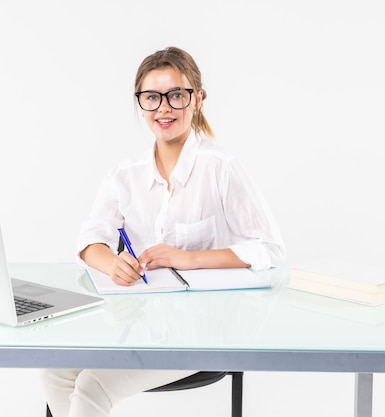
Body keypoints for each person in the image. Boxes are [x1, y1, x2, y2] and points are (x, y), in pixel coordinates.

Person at [40, 46, 286, 417]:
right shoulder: (124, 175)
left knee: (92, 384)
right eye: (151, 97)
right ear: (140, 103)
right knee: (55, 367)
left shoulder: (221, 168)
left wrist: (188, 259)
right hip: (139, 325)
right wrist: (112, 265)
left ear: (197, 99)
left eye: (176, 95)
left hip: (207, 330)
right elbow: (89, 241)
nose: (163, 108)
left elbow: (270, 250)